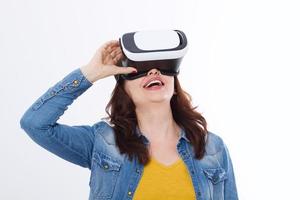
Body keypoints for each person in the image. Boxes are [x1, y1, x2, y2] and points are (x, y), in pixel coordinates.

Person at [20, 39, 238, 200]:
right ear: (124, 88)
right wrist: (90, 73)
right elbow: (35, 123)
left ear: (174, 85)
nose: (153, 71)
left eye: (163, 66)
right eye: (141, 70)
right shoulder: (102, 142)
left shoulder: (213, 147)